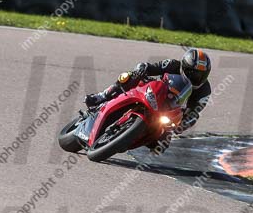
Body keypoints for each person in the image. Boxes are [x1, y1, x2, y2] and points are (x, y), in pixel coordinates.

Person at [84, 48, 212, 150]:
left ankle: (129, 138)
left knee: (160, 145)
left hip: (169, 110)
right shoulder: (173, 65)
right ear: (183, 67)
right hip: (153, 92)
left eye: (201, 75)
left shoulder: (205, 91)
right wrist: (142, 68)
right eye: (192, 73)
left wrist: (182, 124)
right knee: (129, 76)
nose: (196, 77)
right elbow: (150, 67)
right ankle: (102, 96)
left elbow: (194, 113)